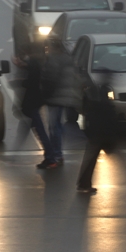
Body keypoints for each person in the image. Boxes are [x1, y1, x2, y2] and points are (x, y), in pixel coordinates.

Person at [41, 39, 80, 167]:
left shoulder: (55, 59)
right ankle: (58, 152)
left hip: (55, 97)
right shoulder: (67, 58)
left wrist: (45, 95)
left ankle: (57, 153)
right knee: (58, 124)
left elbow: (51, 78)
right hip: (64, 96)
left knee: (54, 126)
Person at [76, 80, 119, 193]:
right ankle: (84, 183)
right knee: (91, 158)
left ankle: (83, 183)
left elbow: (84, 111)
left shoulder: (91, 96)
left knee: (90, 158)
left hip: (94, 131)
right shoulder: (103, 100)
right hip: (100, 132)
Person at [18, 44, 54, 169]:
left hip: (32, 102)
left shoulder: (34, 63)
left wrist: (21, 82)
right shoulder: (39, 63)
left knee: (39, 130)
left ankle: (50, 157)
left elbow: (31, 82)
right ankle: (49, 156)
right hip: (35, 102)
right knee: (35, 129)